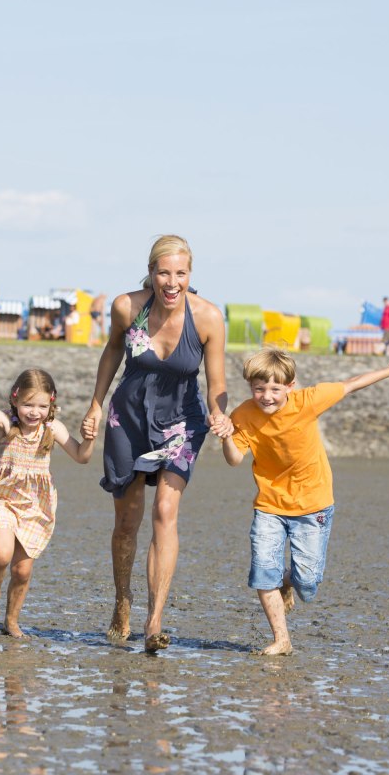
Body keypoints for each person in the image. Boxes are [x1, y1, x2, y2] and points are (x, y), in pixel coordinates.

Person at [80, 234, 232, 653]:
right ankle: (122, 600)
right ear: (150, 273)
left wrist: (220, 414)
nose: (171, 282)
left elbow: (217, 385)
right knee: (127, 522)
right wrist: (94, 405)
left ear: (190, 275)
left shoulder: (208, 318)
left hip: (181, 421)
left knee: (166, 510)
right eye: (163, 272)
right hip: (126, 417)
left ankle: (154, 619)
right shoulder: (127, 307)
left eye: (180, 273)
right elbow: (112, 352)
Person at [219, 344, 389, 655]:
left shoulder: (308, 400)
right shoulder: (243, 414)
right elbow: (233, 460)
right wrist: (226, 434)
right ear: (250, 387)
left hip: (314, 505)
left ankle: (287, 580)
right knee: (262, 571)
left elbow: (351, 384)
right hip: (269, 505)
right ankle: (282, 639)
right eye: (259, 389)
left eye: (274, 389)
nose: (266, 396)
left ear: (289, 387)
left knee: (307, 584)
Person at [0, 369, 95, 638]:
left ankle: (11, 621)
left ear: (52, 404)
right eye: (27, 405)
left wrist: (90, 438)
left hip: (36, 506)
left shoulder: (53, 428)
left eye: (41, 406)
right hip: (3, 499)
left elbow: (82, 457)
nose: (34, 412)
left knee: (22, 570)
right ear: (15, 399)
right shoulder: (5, 423)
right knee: (1, 554)